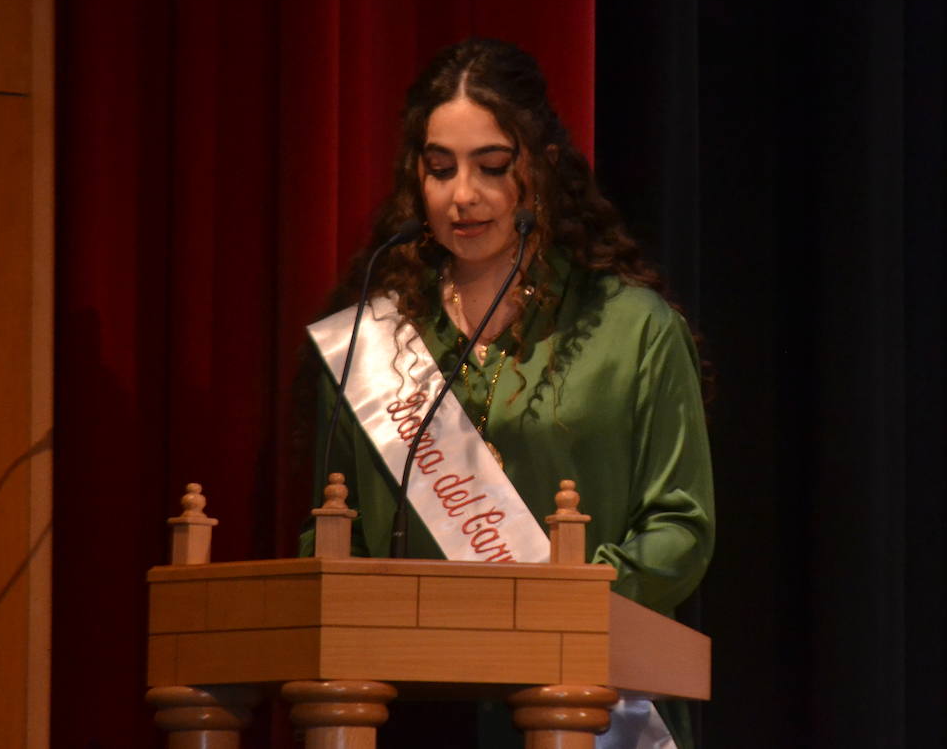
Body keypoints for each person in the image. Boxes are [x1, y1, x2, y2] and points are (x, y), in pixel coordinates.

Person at [296, 38, 713, 748]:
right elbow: (332, 536)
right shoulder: (375, 341)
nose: (464, 195)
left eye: (493, 166)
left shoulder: (632, 330)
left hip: (585, 708)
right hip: (408, 709)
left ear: (543, 169)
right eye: (439, 169)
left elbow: (681, 530)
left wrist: (557, 607)